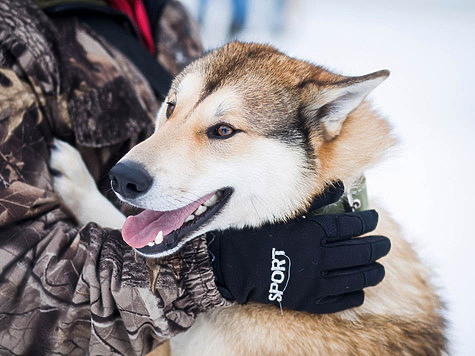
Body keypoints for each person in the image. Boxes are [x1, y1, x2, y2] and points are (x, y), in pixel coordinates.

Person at [0, 0, 390, 354]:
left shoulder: (168, 14)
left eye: (222, 130)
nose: (140, 160)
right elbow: (13, 300)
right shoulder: (14, 35)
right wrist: (223, 267)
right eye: (171, 107)